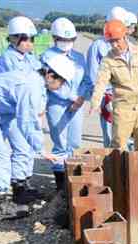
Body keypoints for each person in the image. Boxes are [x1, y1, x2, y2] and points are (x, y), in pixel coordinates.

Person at [0, 54, 71, 221]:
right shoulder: (30, 85)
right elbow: (27, 120)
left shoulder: (35, 82)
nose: (60, 86)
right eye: (60, 82)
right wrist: (41, 149)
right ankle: (0, 205)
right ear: (50, 74)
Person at [89, 19, 138, 151]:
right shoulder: (108, 60)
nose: (115, 45)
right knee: (118, 147)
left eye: (117, 40)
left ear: (125, 36)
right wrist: (95, 102)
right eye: (111, 42)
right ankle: (117, 172)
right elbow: (100, 83)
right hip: (123, 110)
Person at [0, 15, 43, 204]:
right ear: (14, 38)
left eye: (32, 39)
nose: (29, 43)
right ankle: (18, 187)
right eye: (26, 39)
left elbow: (38, 81)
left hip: (29, 110)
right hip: (14, 112)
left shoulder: (30, 59)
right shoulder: (7, 60)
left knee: (28, 148)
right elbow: (16, 88)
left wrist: (40, 107)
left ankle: (26, 182)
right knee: (21, 147)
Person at [42, 17, 92, 193]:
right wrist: (71, 97)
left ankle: (74, 182)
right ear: (55, 38)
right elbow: (50, 83)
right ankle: (60, 185)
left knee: (75, 143)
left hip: (77, 104)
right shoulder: (47, 57)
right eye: (63, 40)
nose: (67, 43)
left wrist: (80, 98)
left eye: (70, 40)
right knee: (60, 143)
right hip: (57, 104)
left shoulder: (78, 58)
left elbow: (86, 81)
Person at [86, 6, 128, 147]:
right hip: (108, 96)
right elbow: (93, 74)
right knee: (110, 139)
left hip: (126, 97)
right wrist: (98, 99)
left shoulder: (129, 45)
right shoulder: (98, 46)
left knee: (128, 139)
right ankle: (112, 167)